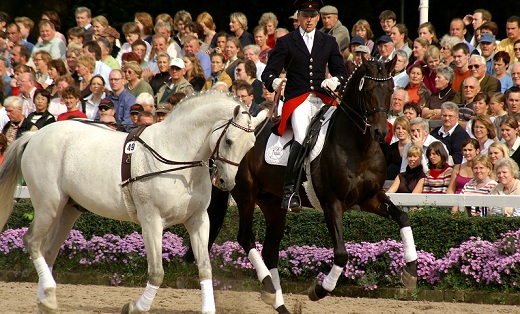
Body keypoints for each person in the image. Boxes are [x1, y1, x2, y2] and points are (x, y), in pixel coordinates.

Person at [262, 0, 348, 211]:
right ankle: (290, 192)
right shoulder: (286, 42)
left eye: (312, 15)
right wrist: (274, 82)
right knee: (302, 136)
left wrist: (335, 80)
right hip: (298, 99)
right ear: (298, 17)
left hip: (322, 98)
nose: (309, 19)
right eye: (304, 15)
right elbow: (268, 72)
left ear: (318, 17)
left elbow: (342, 72)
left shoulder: (328, 41)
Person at [382, 116, 411, 180]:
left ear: (408, 130)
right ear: (394, 130)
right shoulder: (391, 148)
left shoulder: (413, 146)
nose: (400, 131)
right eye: (398, 128)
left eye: (404, 128)